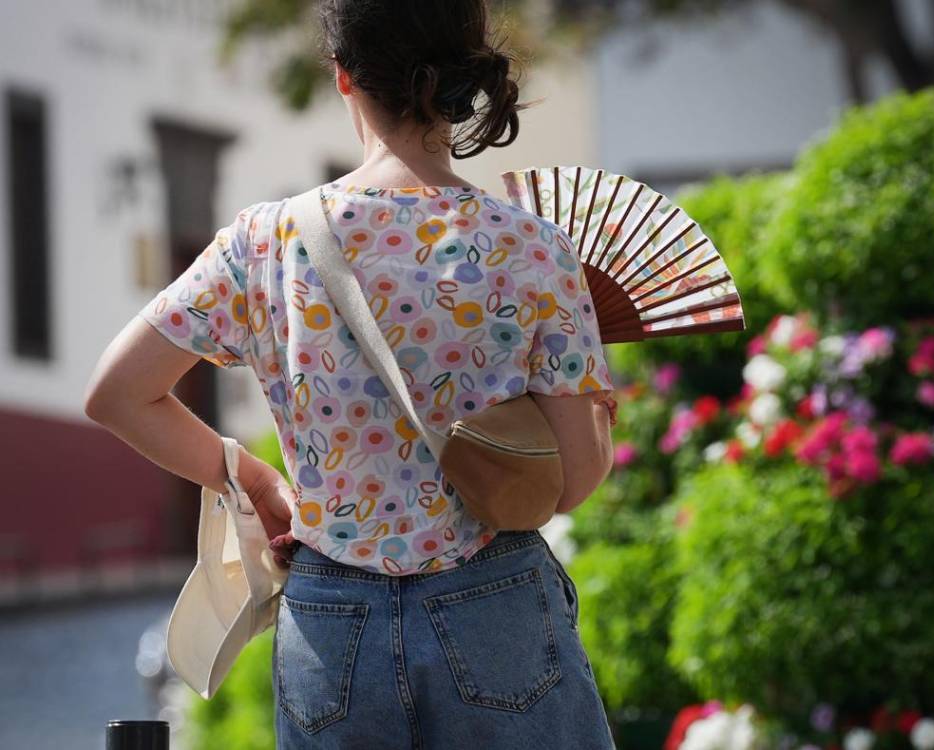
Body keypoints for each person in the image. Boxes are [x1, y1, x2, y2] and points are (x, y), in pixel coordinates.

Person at [83, 0, 620, 746]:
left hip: (330, 623)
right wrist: (593, 407)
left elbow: (118, 394)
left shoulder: (263, 242)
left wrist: (255, 480)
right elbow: (576, 482)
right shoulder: (532, 247)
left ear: (342, 77)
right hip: (498, 607)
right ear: (466, 75)